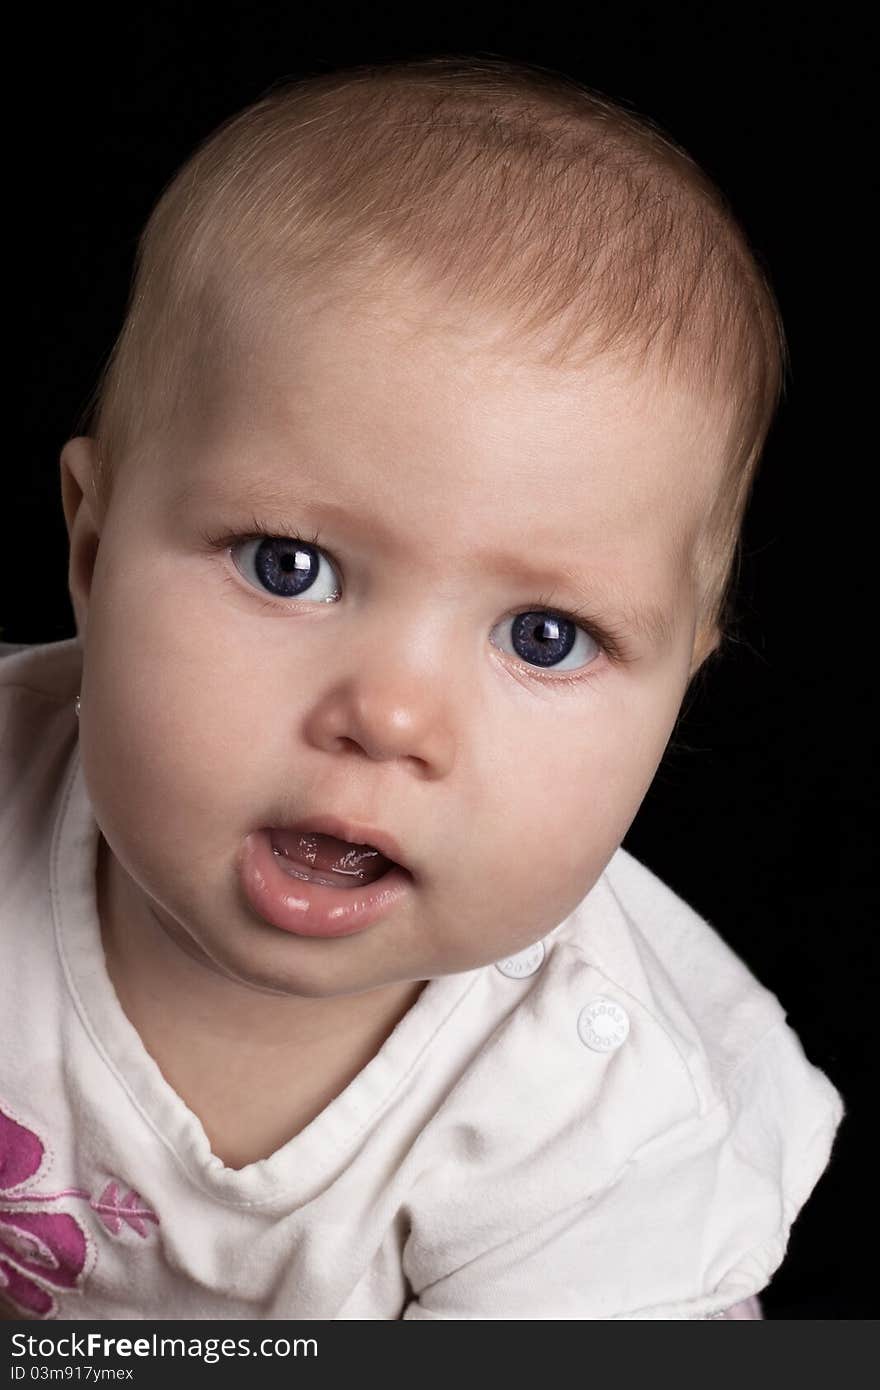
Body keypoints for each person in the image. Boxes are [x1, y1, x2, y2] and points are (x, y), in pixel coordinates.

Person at [0, 54, 844, 1321]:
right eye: (291, 567)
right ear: (93, 546)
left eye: (545, 636)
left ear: (678, 691)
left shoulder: (601, 1127)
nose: (389, 716)